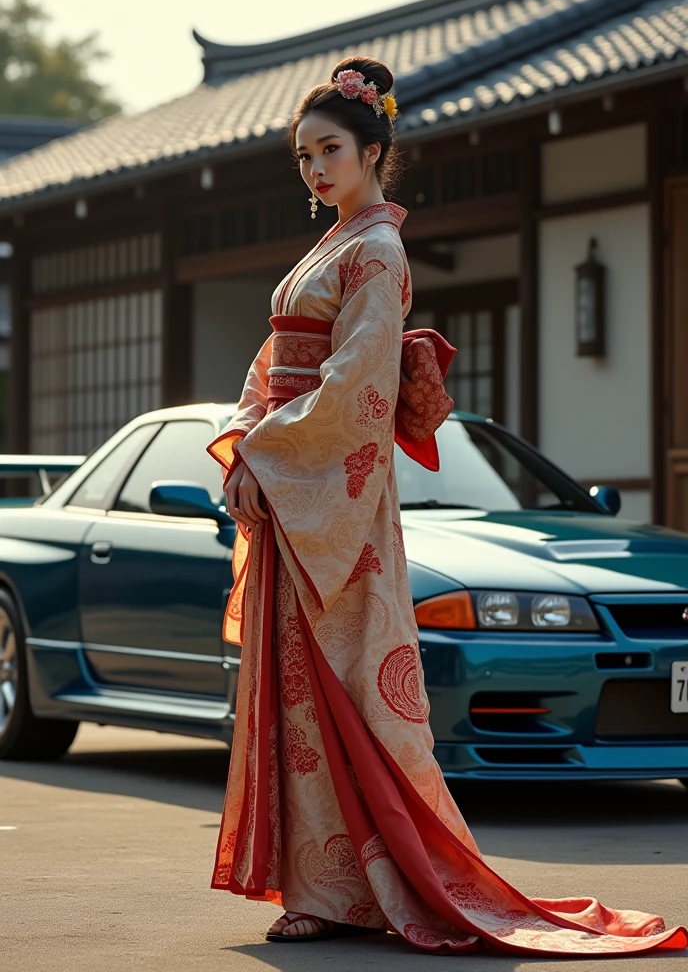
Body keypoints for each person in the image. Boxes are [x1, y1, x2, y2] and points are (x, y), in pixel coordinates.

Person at [206, 56, 686, 956]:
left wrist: (266, 455)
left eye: (331, 150)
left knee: (348, 695)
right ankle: (322, 886)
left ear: (373, 150)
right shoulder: (332, 246)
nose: (315, 168)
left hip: (335, 500)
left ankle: (378, 884)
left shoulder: (378, 251)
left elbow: (355, 390)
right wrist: (247, 445)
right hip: (291, 484)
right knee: (298, 695)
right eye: (304, 155)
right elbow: (269, 366)